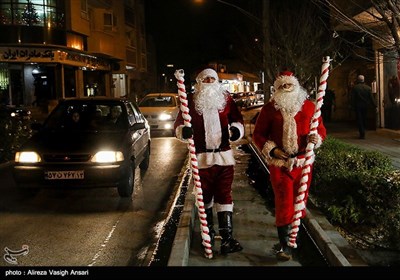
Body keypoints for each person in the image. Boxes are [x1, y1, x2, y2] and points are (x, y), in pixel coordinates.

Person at [252, 71, 326, 261]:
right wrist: (273, 150)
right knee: (284, 201)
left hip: (302, 163)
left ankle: (296, 238)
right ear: (277, 89)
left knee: (300, 201)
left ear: (296, 87)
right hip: (280, 164)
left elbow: (321, 130)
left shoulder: (310, 107)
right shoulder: (269, 110)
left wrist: (315, 138)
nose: (286, 88)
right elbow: (258, 135)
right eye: (282, 86)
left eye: (289, 85)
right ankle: (285, 245)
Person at [174, 68, 245, 255]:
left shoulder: (226, 98)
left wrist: (236, 131)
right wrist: (183, 131)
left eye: (212, 78)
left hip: (223, 157)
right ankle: (209, 234)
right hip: (201, 158)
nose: (209, 81)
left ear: (217, 81)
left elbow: (237, 119)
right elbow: (179, 124)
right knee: (204, 198)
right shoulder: (189, 100)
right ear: (199, 81)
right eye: (205, 78)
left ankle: (227, 239)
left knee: (224, 196)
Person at [350, 75, 376, 139]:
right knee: (364, 118)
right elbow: (371, 98)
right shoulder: (368, 88)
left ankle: (362, 133)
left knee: (359, 119)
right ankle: (363, 130)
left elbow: (352, 98)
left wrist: (352, 106)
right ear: (363, 80)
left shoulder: (355, 88)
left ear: (358, 80)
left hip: (358, 106)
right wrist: (375, 105)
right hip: (365, 106)